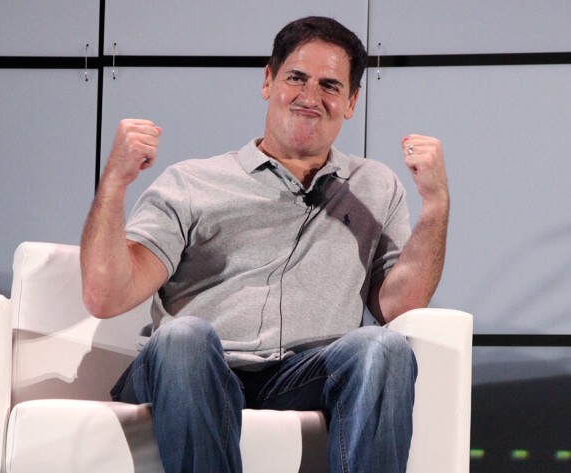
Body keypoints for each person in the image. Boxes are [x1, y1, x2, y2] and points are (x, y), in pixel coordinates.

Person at [80, 16, 449, 473]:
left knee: (382, 347)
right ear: (268, 81)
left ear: (351, 101)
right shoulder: (193, 182)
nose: (310, 96)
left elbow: (399, 307)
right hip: (193, 369)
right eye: (296, 78)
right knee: (184, 336)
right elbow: (106, 296)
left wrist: (435, 203)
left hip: (301, 377)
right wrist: (114, 183)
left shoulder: (374, 187)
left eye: (330, 86)